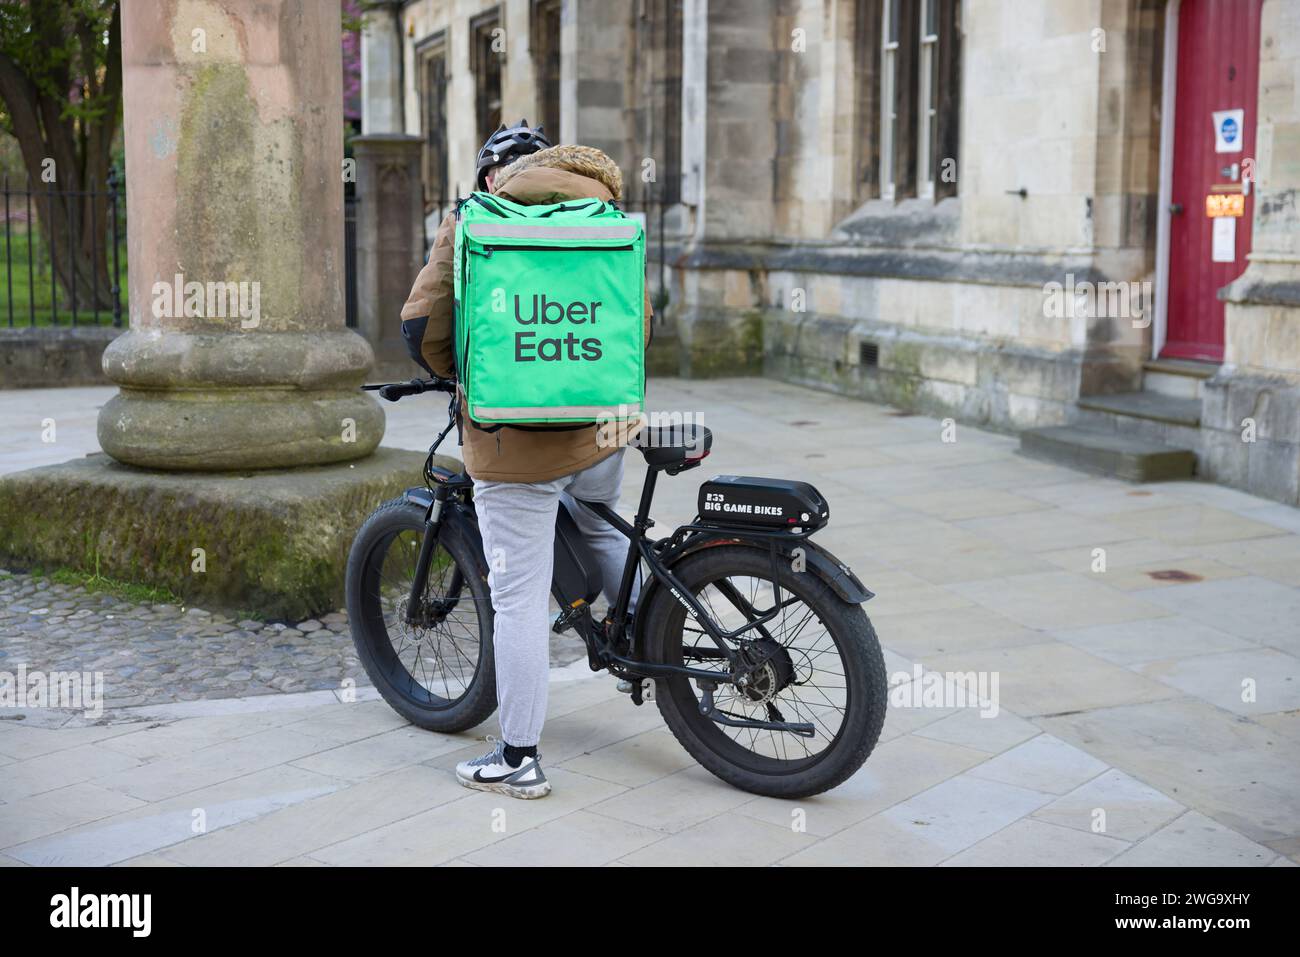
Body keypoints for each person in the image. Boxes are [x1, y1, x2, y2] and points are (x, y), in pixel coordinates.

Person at [399, 120, 652, 799]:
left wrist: (462, 375)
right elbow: (638, 323)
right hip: (602, 424)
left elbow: (422, 327)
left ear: (491, 177)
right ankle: (651, 649)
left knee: (514, 597)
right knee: (602, 522)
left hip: (513, 443)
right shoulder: (603, 213)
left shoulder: (475, 219)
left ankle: (518, 757)